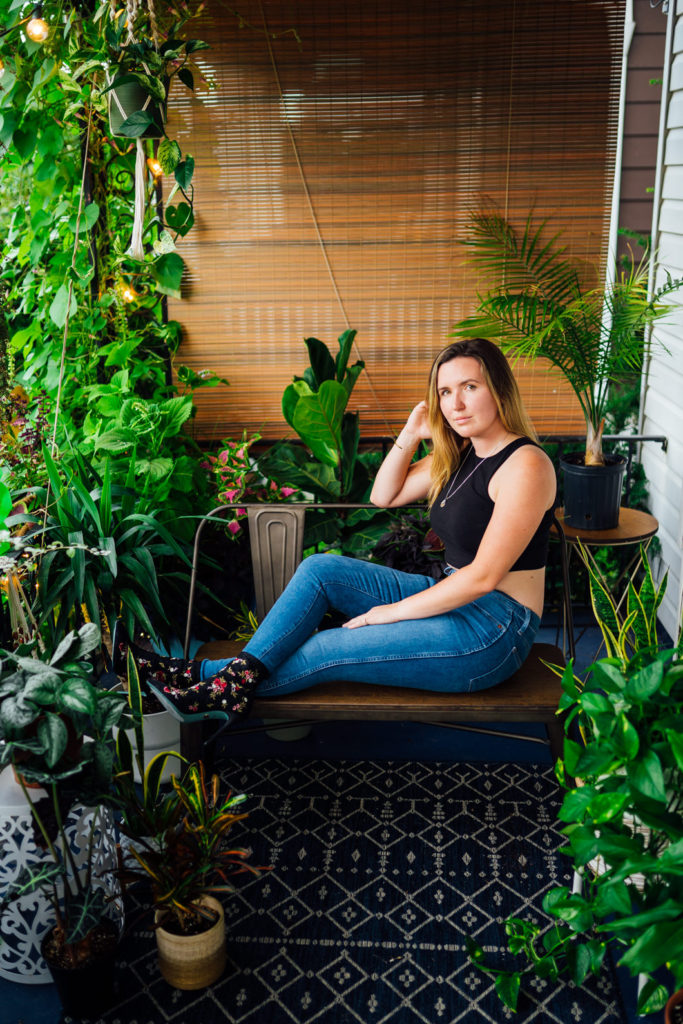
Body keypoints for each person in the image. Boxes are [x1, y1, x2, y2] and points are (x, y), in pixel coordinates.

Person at [117, 338, 557, 726]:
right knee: (320, 570)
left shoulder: (525, 465)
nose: (455, 404)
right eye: (445, 392)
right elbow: (384, 496)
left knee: (329, 647)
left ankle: (200, 682)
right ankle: (217, 684)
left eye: (470, 387)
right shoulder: (460, 454)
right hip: (451, 595)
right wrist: (411, 432)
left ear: (499, 389)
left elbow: (482, 577)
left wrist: (389, 613)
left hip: (492, 630)